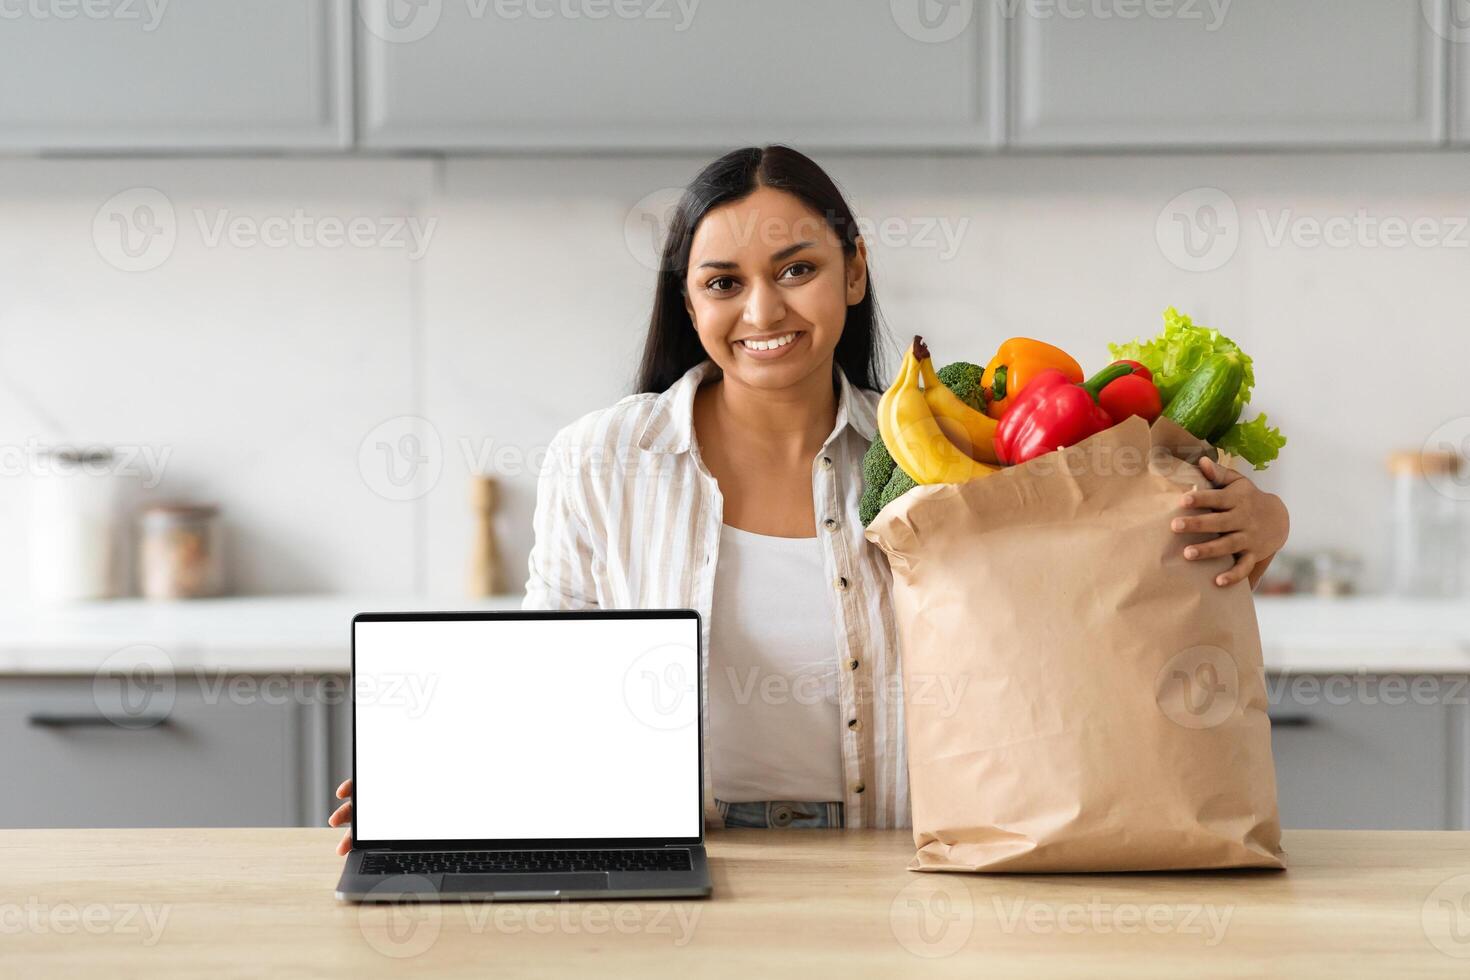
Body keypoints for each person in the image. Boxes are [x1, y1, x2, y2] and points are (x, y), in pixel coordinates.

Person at [329, 145, 1289, 851]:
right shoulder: (601, 460)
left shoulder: (941, 455)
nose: (764, 312)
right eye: (724, 283)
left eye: (797, 270)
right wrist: (433, 787)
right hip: (691, 867)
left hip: (910, 860)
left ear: (854, 270)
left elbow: (1090, 572)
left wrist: (1263, 518)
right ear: (690, 301)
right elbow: (554, 688)